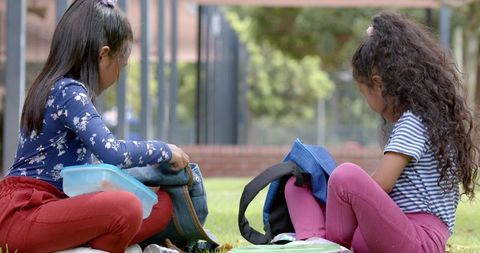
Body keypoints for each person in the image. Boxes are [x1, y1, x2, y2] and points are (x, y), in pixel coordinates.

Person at [0, 0, 189, 252]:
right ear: (103, 54)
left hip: (53, 208)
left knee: (162, 205)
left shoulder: (53, 87)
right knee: (127, 207)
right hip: (25, 213)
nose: (119, 75)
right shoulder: (68, 91)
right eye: (120, 64)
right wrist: (164, 149)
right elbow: (113, 153)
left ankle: (90, 246)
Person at [284, 11, 479, 253]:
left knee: (345, 176)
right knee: (297, 183)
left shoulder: (414, 122)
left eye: (364, 93)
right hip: (388, 232)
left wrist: (345, 191)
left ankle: (326, 245)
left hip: (418, 240)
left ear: (378, 84)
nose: (367, 103)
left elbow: (382, 184)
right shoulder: (424, 119)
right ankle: (315, 241)